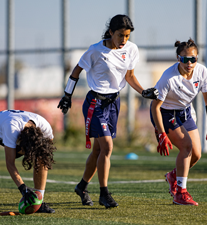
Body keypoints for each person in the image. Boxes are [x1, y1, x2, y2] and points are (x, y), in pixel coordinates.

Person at [58, 14, 158, 208]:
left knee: (98, 150)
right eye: (120, 35)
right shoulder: (95, 51)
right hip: (95, 103)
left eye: (127, 36)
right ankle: (104, 193)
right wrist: (67, 96)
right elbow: (76, 71)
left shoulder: (131, 49)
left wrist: (143, 91)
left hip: (114, 103)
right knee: (108, 147)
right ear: (111, 32)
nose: (124, 40)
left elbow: (130, 77)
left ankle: (82, 186)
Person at [150, 38, 207, 206]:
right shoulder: (168, 78)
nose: (189, 63)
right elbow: (155, 107)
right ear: (178, 58)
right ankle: (180, 194)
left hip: (185, 111)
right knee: (186, 147)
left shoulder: (202, 72)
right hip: (165, 113)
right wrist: (161, 133)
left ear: (197, 58)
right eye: (184, 59)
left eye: (193, 59)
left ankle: (173, 176)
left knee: (196, 154)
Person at [0, 110, 56, 213]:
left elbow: (46, 150)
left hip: (12, 122)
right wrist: (23, 188)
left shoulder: (45, 127)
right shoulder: (11, 129)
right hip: (4, 125)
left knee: (42, 156)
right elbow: (9, 163)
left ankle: (39, 200)